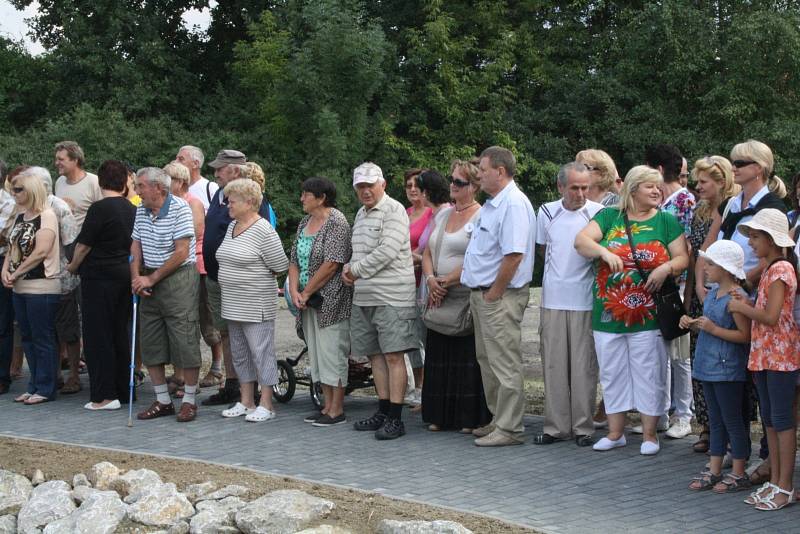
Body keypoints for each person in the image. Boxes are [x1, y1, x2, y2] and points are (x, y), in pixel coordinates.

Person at [575, 165, 689, 455]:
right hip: (608, 313)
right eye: (650, 186)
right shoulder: (610, 216)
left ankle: (650, 435)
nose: (656, 191)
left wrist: (665, 268)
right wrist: (604, 251)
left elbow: (682, 258)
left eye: (658, 186)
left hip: (648, 314)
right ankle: (616, 433)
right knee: (613, 372)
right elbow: (581, 241)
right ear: (633, 189)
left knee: (648, 373)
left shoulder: (666, 220)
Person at [461, 146, 536, 447]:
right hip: (484, 296)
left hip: (499, 297)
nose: (478, 174)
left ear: (500, 171)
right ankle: (498, 420)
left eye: (482, 169)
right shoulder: (495, 204)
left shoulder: (514, 204)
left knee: (504, 362)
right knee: (488, 360)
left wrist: (494, 294)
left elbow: (514, 255)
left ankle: (510, 428)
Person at [729, 209, 800, 510]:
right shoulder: (771, 269)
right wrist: (747, 302)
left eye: (756, 237)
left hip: (781, 355)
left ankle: (785, 485)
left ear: (772, 240)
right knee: (770, 419)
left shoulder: (781, 269)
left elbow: (772, 317)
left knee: (782, 421)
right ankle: (775, 483)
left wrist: (743, 308)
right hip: (766, 355)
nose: (752, 243)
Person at [344, 162, 418, 440]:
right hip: (365, 296)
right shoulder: (361, 214)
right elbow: (357, 251)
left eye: (370, 185)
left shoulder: (394, 210)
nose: (365, 191)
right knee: (375, 356)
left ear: (382, 184)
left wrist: (355, 270)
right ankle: (383, 410)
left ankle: (396, 418)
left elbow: (387, 251)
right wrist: (348, 268)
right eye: (360, 186)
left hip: (392, 296)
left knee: (393, 356)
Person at [533, 162, 603, 447]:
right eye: (574, 187)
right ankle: (556, 426)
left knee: (583, 366)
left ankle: (583, 427)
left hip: (585, 300)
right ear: (560, 187)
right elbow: (542, 249)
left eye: (585, 187)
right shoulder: (547, 211)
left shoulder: (598, 213)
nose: (580, 193)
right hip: (552, 299)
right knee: (553, 364)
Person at [420, 159, 490, 432]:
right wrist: (430, 281)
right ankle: (440, 415)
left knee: (465, 358)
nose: (452, 185)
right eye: (451, 180)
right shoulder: (443, 214)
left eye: (459, 182)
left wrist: (446, 281)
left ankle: (467, 417)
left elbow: (478, 256)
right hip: (437, 294)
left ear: (473, 187)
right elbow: (427, 250)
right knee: (439, 356)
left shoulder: (481, 216)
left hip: (462, 294)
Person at [201, 149, 272, 407]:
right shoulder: (220, 196)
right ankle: (232, 385)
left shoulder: (252, 200)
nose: (216, 172)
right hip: (216, 278)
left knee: (247, 336)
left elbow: (262, 244)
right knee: (226, 334)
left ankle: (253, 391)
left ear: (235, 169)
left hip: (241, 282)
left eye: (221, 168)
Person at [131, 167, 200, 423]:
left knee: (184, 337)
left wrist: (151, 277)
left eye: (140, 186)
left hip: (178, 277)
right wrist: (136, 277)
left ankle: (189, 401)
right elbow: (135, 244)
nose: (137, 192)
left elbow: (182, 251)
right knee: (150, 339)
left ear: (158, 188)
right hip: (149, 275)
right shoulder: (141, 209)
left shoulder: (181, 208)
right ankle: (162, 400)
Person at [680, 240, 751, 492]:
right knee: (715, 420)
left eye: (710, 263)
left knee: (732, 420)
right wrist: (692, 321)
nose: (705, 267)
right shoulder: (713, 292)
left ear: (725, 267)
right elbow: (709, 321)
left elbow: (745, 336)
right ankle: (715, 468)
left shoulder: (737, 298)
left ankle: (740, 471)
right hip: (707, 364)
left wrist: (713, 329)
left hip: (727, 368)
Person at [66, 160, 137, 411]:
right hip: (124, 274)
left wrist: (73, 266)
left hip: (99, 277)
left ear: (101, 181)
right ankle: (123, 390)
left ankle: (104, 396)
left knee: (98, 336)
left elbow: (84, 244)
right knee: (120, 333)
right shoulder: (131, 208)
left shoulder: (99, 208)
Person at [216, 179, 288, 422]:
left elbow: (279, 265)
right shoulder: (232, 226)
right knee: (240, 354)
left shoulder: (263, 230)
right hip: (232, 302)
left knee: (261, 352)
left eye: (232, 200)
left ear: (249, 202)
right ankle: (246, 401)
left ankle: (266, 403)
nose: (228, 205)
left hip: (255, 303)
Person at [684, 156, 738, 453]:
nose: (698, 186)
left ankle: (728, 432)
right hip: (700, 292)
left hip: (722, 291)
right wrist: (694, 291)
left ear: (721, 182)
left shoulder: (730, 209)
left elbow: (715, 253)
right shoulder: (699, 211)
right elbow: (697, 255)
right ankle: (706, 427)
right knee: (700, 360)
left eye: (704, 181)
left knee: (722, 360)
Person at [288, 177, 352, 426]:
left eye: (306, 194)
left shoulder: (336, 222)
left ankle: (337, 409)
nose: (302, 198)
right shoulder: (305, 221)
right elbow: (294, 259)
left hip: (331, 300)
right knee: (315, 352)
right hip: (307, 300)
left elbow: (332, 264)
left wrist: (307, 292)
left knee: (331, 352)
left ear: (321, 197)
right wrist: (295, 291)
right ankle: (326, 406)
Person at [646, 144, 696, 439]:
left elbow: (688, 248)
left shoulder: (684, 202)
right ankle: (661, 412)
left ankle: (683, 415)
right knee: (660, 354)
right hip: (658, 287)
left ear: (660, 169)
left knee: (679, 355)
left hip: (676, 287)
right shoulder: (660, 203)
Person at [4, 171, 61, 405]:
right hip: (20, 288)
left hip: (42, 287)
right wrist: (5, 270)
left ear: (31, 190)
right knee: (27, 337)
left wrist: (16, 272)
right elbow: (11, 248)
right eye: (13, 189)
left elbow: (41, 251)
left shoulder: (46, 216)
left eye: (19, 190)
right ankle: (34, 384)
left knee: (42, 337)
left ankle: (46, 387)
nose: (14, 194)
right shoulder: (20, 216)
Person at [163, 161, 218, 394]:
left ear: (180, 182)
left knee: (205, 320)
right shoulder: (167, 203)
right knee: (182, 322)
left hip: (197, 267)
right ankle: (180, 374)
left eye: (168, 179)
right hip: (176, 267)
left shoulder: (193, 203)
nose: (164, 184)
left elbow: (193, 234)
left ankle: (215, 369)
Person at [54, 140, 101, 394]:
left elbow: (100, 215)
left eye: (61, 159)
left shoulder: (93, 182)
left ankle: (96, 373)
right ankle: (72, 373)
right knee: (68, 315)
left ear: (75, 159)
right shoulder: (59, 183)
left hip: (89, 255)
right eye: (57, 158)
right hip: (64, 255)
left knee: (90, 315)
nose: (57, 163)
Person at [403, 168, 431, 406]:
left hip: (423, 282)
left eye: (416, 185)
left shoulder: (433, 214)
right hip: (403, 283)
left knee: (424, 335)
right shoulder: (405, 213)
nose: (412, 189)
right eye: (408, 185)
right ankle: (418, 385)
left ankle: (428, 387)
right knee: (410, 338)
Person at [0, 160, 18, 395]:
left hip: (2, 262)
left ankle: (2, 376)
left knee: (3, 323)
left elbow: (3, 237)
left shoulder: (8, 203)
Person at [175, 145, 219, 211]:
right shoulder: (173, 188)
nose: (175, 162)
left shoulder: (211, 188)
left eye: (181, 159)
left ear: (195, 164)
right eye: (176, 159)